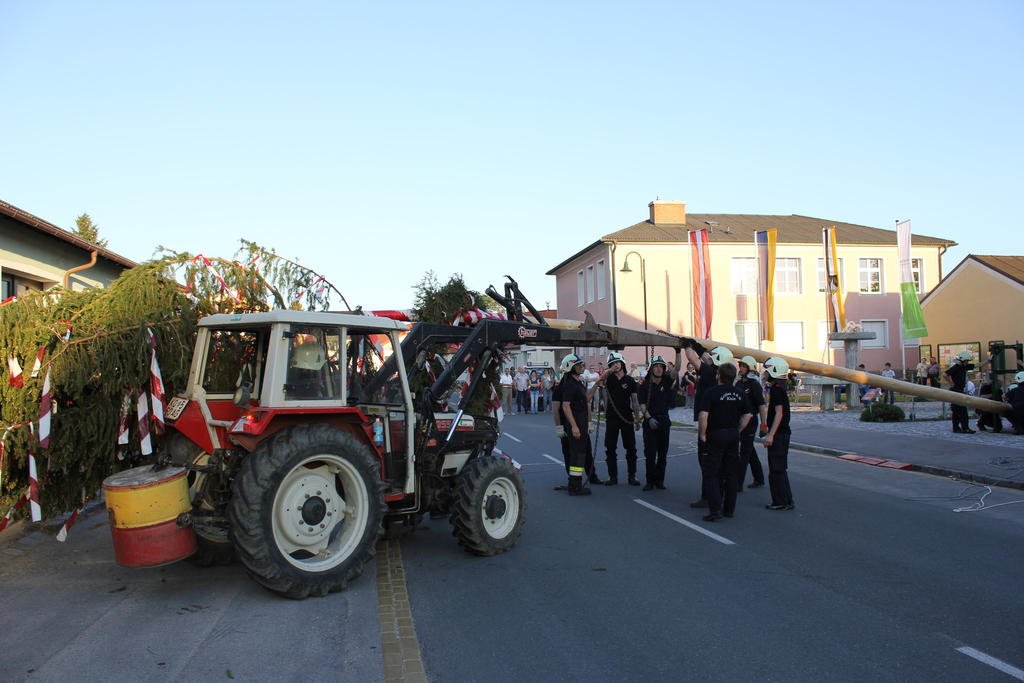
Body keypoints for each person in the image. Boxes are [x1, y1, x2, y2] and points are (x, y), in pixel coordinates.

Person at [697, 362, 751, 521]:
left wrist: (702, 434)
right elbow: (748, 415)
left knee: (712, 473)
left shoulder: (711, 392)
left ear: (719, 375)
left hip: (715, 435)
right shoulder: (740, 393)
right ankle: (729, 509)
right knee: (731, 473)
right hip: (732, 435)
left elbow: (703, 416)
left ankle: (715, 509)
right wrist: (738, 430)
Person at [684, 344, 734, 508]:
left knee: (707, 463)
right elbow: (707, 359)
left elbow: (691, 359)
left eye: (711, 357)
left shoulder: (710, 372)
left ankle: (708, 497)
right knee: (721, 465)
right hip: (726, 428)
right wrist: (700, 348)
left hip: (709, 428)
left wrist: (687, 346)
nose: (708, 359)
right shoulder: (718, 374)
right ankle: (720, 496)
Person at [637, 351, 682, 491]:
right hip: (650, 422)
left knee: (662, 454)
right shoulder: (644, 386)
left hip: (664, 422)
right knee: (650, 454)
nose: (659, 369)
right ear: (651, 368)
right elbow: (642, 404)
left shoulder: (666, 382)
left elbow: (677, 369)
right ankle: (650, 481)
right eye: (656, 366)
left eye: (661, 367)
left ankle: (659, 481)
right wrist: (649, 418)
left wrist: (678, 352)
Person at [597, 351, 642, 486]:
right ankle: (613, 476)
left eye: (617, 362)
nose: (615, 365)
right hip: (612, 417)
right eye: (612, 363)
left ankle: (632, 475)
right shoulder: (609, 379)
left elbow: (634, 401)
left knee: (631, 448)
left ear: (622, 363)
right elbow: (600, 380)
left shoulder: (630, 381)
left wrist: (637, 418)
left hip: (626, 417)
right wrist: (610, 370)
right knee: (610, 447)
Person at [556, 354, 596, 496]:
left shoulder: (578, 382)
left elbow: (585, 400)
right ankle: (575, 486)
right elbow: (566, 406)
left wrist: (597, 384)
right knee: (576, 455)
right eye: (578, 365)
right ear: (569, 367)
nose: (581, 366)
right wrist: (574, 426)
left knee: (580, 455)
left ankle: (576, 484)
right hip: (576, 423)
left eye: (581, 364)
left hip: (581, 422)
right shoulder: (569, 384)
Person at [763, 357, 795, 510]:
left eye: (767, 369)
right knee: (780, 468)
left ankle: (780, 501)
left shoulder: (776, 389)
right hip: (783, 433)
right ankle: (787, 500)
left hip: (779, 434)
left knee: (776, 469)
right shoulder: (780, 387)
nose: (764, 372)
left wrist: (771, 434)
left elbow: (779, 414)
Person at [736, 356, 767, 490]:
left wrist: (763, 424)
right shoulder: (738, 384)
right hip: (740, 419)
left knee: (744, 452)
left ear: (750, 368)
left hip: (751, 420)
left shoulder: (754, 385)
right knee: (749, 451)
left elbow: (761, 406)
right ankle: (759, 478)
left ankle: (738, 483)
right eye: (740, 365)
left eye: (744, 366)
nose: (741, 368)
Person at [942, 352, 975, 434]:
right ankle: (965, 428)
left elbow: (977, 365)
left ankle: (956, 428)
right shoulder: (956, 367)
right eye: (966, 361)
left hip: (958, 390)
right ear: (961, 361)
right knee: (963, 410)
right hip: (956, 390)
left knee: (956, 411)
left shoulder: (964, 367)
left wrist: (988, 361)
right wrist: (950, 382)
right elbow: (945, 374)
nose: (967, 363)